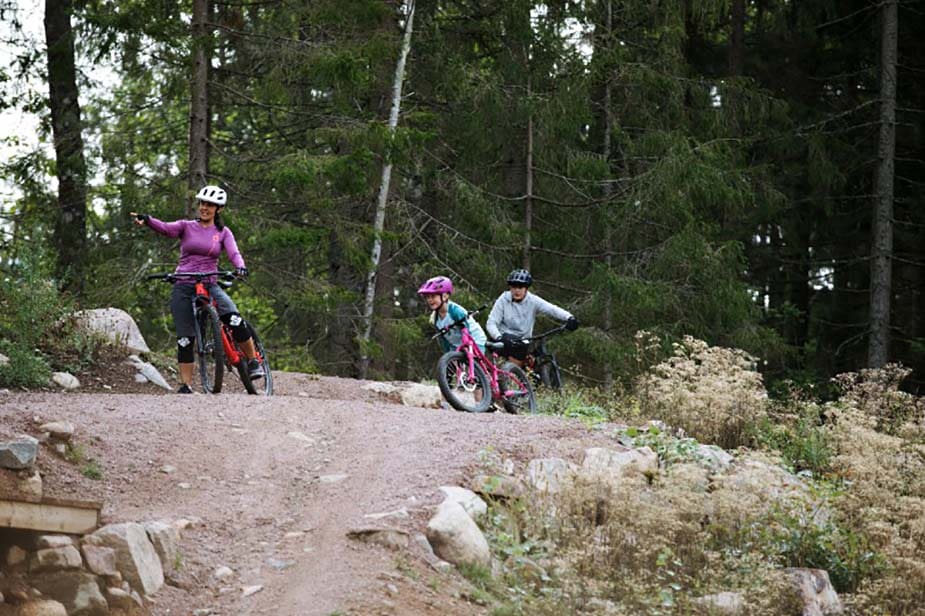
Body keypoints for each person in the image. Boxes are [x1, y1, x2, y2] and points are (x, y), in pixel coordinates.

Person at [132, 185, 264, 394]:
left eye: (210, 205)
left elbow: (234, 253)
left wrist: (240, 267)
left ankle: (253, 360)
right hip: (183, 283)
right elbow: (165, 228)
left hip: (210, 283)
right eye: (203, 203)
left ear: (218, 209)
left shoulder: (222, 232)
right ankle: (186, 385)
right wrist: (148, 220)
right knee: (185, 338)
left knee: (235, 319)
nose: (204, 207)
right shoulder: (186, 226)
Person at [486, 269, 578, 366]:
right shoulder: (503, 299)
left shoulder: (533, 300)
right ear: (510, 287)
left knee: (525, 361)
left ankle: (518, 373)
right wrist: (498, 337)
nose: (517, 290)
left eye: (520, 287)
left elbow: (551, 309)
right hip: (503, 339)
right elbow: (491, 322)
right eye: (514, 286)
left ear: (526, 288)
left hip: (522, 341)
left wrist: (569, 317)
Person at [417, 276, 487, 354]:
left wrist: (466, 349)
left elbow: (466, 330)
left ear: (445, 296)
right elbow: (444, 341)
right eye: (427, 297)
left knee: (472, 361)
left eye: (433, 296)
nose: (429, 300)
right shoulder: (435, 319)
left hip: (474, 340)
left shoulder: (455, 311)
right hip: (456, 345)